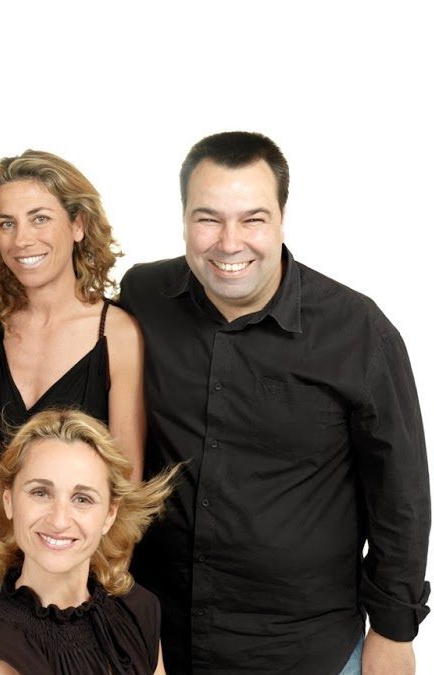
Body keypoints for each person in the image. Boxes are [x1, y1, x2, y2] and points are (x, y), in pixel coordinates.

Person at [121, 131, 430, 674]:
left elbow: (400, 494)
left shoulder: (357, 330)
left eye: (253, 219)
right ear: (183, 218)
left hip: (307, 651)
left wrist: (393, 631)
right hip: (160, 644)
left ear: (282, 218)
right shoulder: (144, 296)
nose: (229, 242)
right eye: (208, 218)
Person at [0, 408, 177, 674]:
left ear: (110, 514)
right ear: (9, 501)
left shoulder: (139, 608)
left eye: (82, 499)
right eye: (41, 493)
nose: (59, 521)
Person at [0, 150, 145, 481]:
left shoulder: (118, 334)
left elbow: (127, 480)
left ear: (78, 225)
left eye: (40, 219)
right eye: (7, 223)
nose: (21, 240)